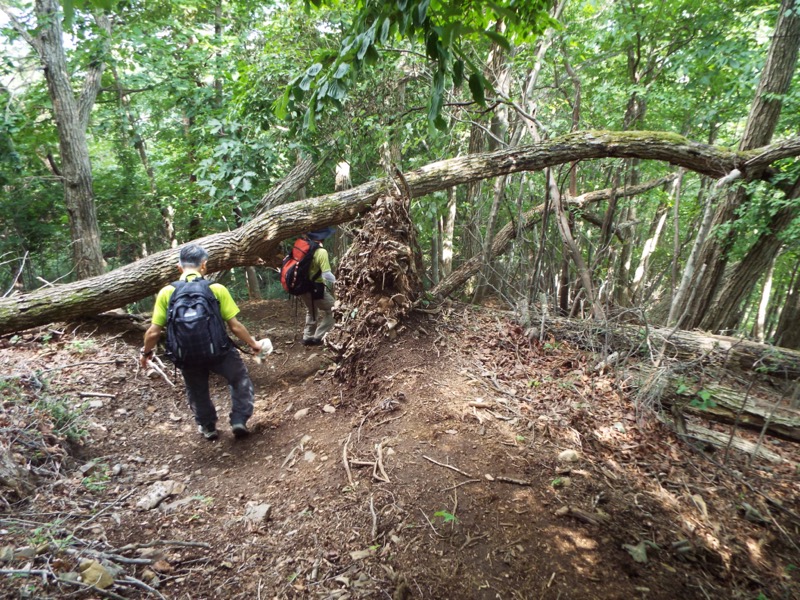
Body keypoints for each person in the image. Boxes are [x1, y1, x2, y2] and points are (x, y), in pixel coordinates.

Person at [139, 244, 264, 441]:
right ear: (204, 266)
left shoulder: (167, 293)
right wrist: (253, 344)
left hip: (186, 355)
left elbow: (154, 331)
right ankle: (239, 419)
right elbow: (235, 326)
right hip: (219, 351)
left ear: (179, 268)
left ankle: (208, 427)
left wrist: (146, 352)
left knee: (197, 389)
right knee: (239, 378)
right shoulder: (216, 289)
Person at [300, 226, 336, 346]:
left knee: (311, 311)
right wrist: (338, 281)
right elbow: (326, 275)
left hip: (301, 286)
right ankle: (318, 336)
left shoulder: (302, 248)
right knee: (334, 310)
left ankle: (307, 337)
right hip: (315, 287)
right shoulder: (321, 252)